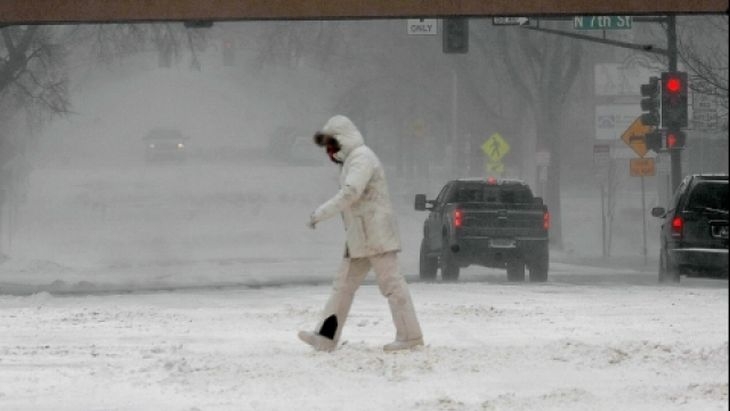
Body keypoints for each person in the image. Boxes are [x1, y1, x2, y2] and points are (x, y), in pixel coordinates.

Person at [298, 115, 424, 352]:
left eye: (331, 144)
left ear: (342, 140)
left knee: (392, 284)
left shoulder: (361, 158)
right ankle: (326, 337)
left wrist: (320, 213)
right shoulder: (352, 160)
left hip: (375, 235)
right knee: (343, 286)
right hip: (361, 237)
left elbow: (351, 192)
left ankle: (410, 336)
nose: (329, 151)